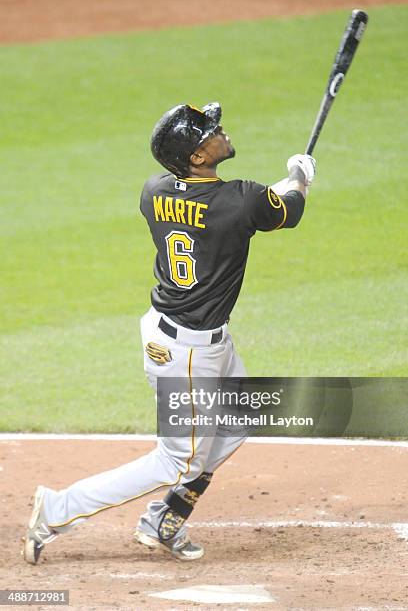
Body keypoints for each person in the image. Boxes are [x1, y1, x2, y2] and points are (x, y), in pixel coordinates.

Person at [23, 102, 316, 564]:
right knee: (177, 459)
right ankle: (59, 508)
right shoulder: (241, 199)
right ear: (197, 158)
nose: (220, 132)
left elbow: (242, 208)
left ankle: (164, 517)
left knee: (239, 420)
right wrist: (299, 176)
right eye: (210, 133)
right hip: (188, 352)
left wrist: (285, 185)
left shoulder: (154, 190)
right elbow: (285, 209)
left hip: (181, 335)